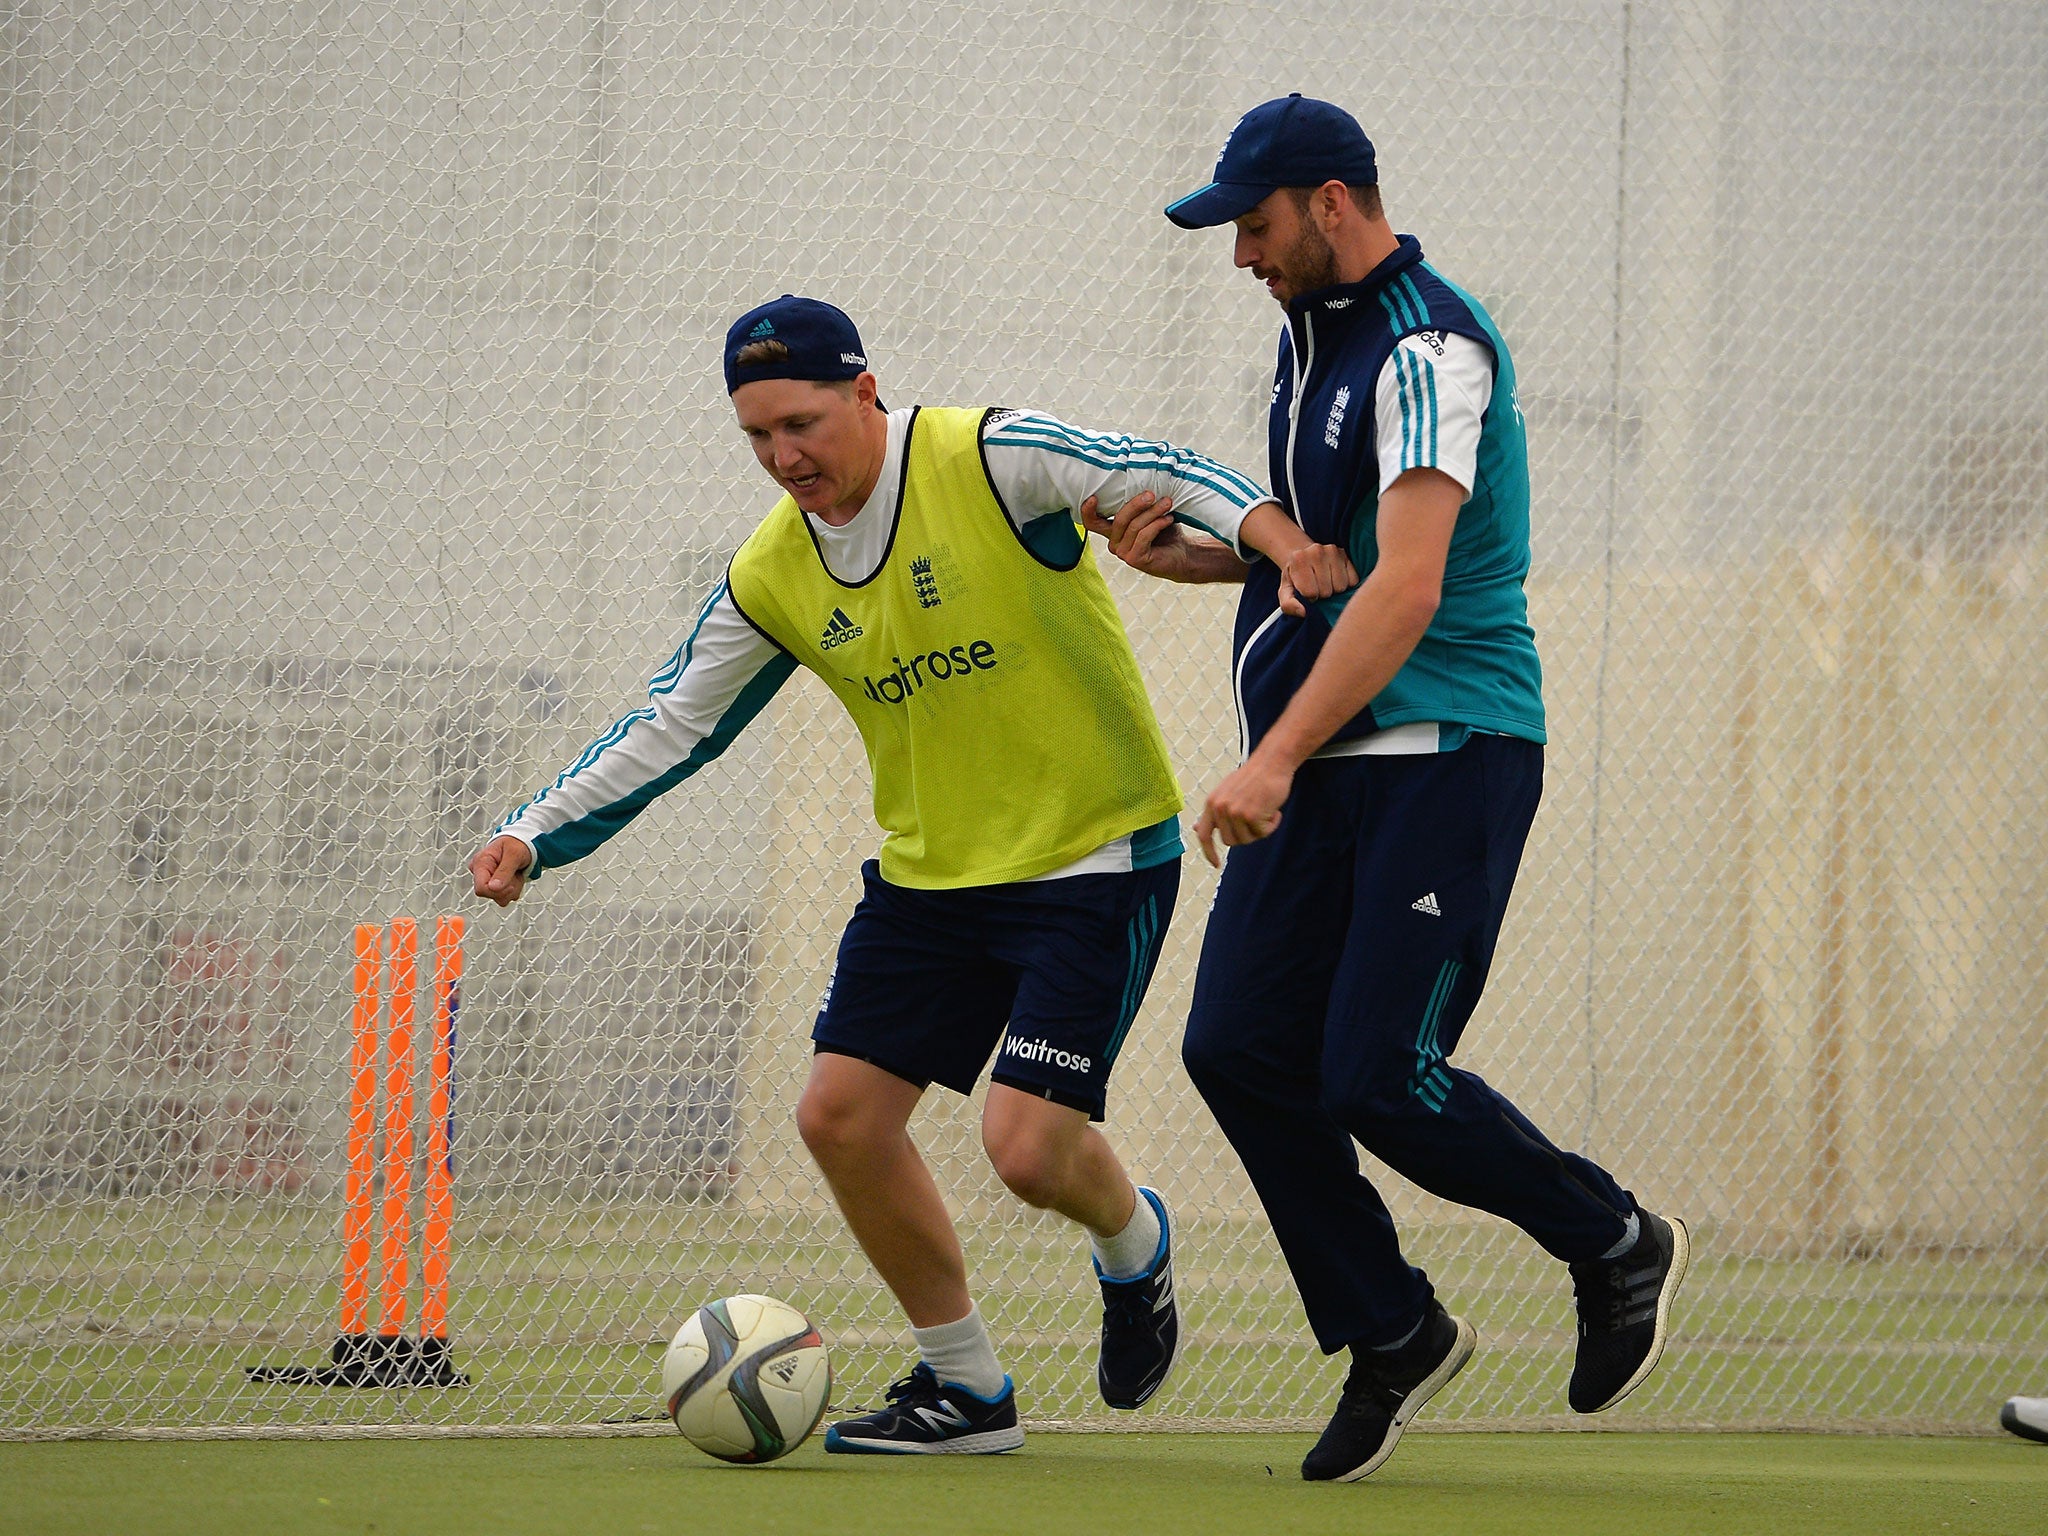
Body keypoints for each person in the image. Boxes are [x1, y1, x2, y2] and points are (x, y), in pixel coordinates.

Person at [469, 294, 1354, 1454]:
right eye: (756, 437)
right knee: (837, 1118)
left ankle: (1133, 1240)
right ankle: (967, 1392)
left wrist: (1276, 541)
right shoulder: (773, 571)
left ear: (865, 393)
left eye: (802, 423)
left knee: (1024, 1150)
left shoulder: (991, 458)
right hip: (929, 883)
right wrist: (536, 832)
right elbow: (670, 724)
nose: (785, 457)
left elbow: (1156, 467)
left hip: (1091, 858)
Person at [1087, 94, 1690, 1481]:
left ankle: (1610, 1237)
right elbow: (1339, 559)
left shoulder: (1429, 345)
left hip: (1447, 753)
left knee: (1376, 1073)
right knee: (1235, 1046)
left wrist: (1273, 756)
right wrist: (1203, 560)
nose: (1241, 254)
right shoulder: (1310, 348)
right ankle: (1396, 1329)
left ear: (1331, 202)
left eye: (1253, 224)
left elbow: (1411, 585)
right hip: (1329, 765)